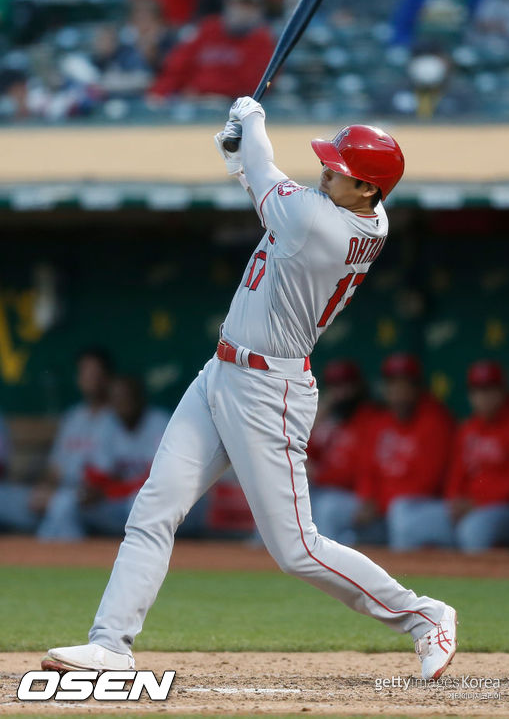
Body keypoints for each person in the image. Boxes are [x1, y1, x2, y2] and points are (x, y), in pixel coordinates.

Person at [42, 97, 457, 682]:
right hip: (221, 371)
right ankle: (111, 644)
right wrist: (240, 159)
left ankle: (424, 615)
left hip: (269, 390)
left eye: (339, 169)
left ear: (368, 190)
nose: (326, 170)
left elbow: (268, 178)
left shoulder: (321, 224)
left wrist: (251, 121)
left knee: (297, 550)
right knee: (155, 508)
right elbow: (265, 185)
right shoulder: (351, 213)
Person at [0, 348, 114, 536]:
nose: (89, 378)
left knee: (62, 506)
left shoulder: (117, 419)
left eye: (94, 373)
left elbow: (110, 476)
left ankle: (55, 550)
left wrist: (64, 495)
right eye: (84, 372)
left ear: (107, 377)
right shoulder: (73, 417)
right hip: (60, 493)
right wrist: (44, 488)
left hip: (94, 499)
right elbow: (55, 469)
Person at [356, 354, 454, 550]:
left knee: (401, 512)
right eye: (392, 385)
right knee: (334, 510)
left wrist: (380, 504)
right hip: (384, 509)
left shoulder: (435, 422)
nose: (398, 393)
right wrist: (367, 499)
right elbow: (366, 469)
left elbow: (427, 483)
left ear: (417, 388)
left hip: (424, 508)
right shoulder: (380, 422)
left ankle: (403, 570)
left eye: (404, 386)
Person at [445, 361, 509, 551]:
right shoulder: (468, 428)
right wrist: (454, 502)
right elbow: (456, 475)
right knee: (410, 518)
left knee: (475, 528)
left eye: (489, 390)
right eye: (476, 391)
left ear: (502, 391)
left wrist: (477, 503)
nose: (483, 397)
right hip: (470, 508)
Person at [149, 0, 274, 99]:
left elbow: (255, 85)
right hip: (192, 102)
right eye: (239, 3)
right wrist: (158, 93)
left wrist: (208, 92)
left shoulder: (263, 41)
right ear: (227, 2)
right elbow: (177, 68)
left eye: (250, 5)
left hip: (233, 106)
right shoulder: (208, 29)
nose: (243, 10)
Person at [75, 376, 171, 537]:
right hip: (119, 500)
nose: (122, 402)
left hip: (163, 502)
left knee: (138, 503)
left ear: (139, 398)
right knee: (67, 503)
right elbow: (98, 473)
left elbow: (156, 481)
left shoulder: (160, 423)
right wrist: (91, 489)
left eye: (126, 396)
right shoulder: (107, 424)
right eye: (116, 398)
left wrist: (108, 491)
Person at [308, 360, 379, 545]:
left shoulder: (370, 419)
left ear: (357, 386)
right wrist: (317, 417)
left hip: (357, 497)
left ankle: (323, 558)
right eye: (334, 386)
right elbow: (305, 451)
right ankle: (262, 553)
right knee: (285, 497)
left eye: (345, 385)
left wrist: (320, 475)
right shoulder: (332, 421)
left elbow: (361, 470)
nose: (340, 392)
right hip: (327, 490)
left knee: (327, 507)